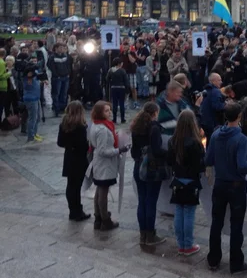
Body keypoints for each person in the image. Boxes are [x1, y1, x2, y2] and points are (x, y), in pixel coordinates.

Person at [205, 102, 247, 274]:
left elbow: (208, 160)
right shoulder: (241, 138)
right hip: (236, 186)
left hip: (219, 184)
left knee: (216, 222)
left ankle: (213, 259)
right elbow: (242, 166)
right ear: (239, 117)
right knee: (236, 225)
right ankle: (236, 262)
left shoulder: (216, 135)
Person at [167, 109, 206, 256]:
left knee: (179, 211)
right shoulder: (195, 143)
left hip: (177, 179)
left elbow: (170, 161)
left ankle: (181, 244)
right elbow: (200, 164)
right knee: (189, 212)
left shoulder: (173, 141)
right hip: (191, 180)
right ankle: (188, 244)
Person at [88, 101, 129, 230]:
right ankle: (105, 220)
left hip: (101, 163)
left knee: (99, 190)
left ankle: (98, 218)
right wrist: (119, 150)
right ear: (100, 112)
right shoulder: (102, 129)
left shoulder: (97, 124)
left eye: (109, 109)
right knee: (102, 191)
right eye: (106, 110)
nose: (109, 112)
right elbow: (103, 151)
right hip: (104, 164)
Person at [130, 102, 167, 246]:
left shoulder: (136, 127)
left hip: (138, 165)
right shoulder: (154, 128)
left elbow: (134, 151)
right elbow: (157, 150)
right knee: (151, 201)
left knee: (142, 200)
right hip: (151, 168)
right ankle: (150, 235)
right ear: (155, 113)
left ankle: (143, 234)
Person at [57, 101, 90, 221]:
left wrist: (69, 145)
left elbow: (60, 142)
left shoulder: (64, 124)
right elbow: (83, 146)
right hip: (79, 159)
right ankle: (77, 211)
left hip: (69, 157)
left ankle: (73, 210)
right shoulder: (80, 127)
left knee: (71, 186)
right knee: (76, 187)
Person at [200, 73, 226, 146]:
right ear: (213, 81)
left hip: (204, 121)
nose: (221, 82)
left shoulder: (205, 91)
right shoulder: (216, 91)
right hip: (213, 123)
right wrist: (226, 105)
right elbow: (217, 106)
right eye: (219, 80)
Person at [106, 57, 130, 124]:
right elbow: (126, 81)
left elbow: (107, 79)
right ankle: (122, 119)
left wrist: (111, 82)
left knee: (114, 104)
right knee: (122, 104)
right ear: (119, 63)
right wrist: (127, 90)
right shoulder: (123, 71)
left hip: (113, 88)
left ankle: (114, 119)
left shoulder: (110, 70)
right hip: (121, 88)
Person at [22, 65, 42, 142]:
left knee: (37, 118)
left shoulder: (35, 74)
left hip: (36, 98)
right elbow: (28, 85)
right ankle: (31, 137)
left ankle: (35, 133)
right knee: (32, 118)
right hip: (31, 99)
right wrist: (30, 77)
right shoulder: (26, 78)